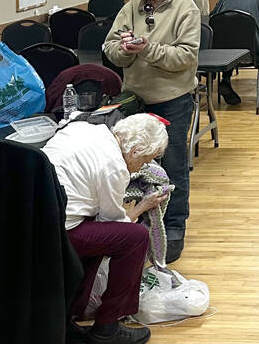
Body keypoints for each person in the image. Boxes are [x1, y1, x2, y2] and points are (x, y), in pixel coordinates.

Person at [103, 0, 200, 264]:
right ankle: (136, 221)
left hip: (172, 101)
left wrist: (148, 49)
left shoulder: (185, 8)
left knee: (173, 165)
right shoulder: (132, 6)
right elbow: (109, 48)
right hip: (135, 99)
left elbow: (185, 56)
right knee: (130, 166)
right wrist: (125, 50)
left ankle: (174, 226)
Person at [44, 114, 170, 344]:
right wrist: (142, 207)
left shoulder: (83, 128)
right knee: (136, 238)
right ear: (135, 151)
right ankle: (107, 328)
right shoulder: (115, 166)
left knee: (94, 228)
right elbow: (114, 224)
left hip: (29, 221)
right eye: (145, 160)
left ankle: (66, 317)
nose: (143, 167)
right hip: (56, 232)